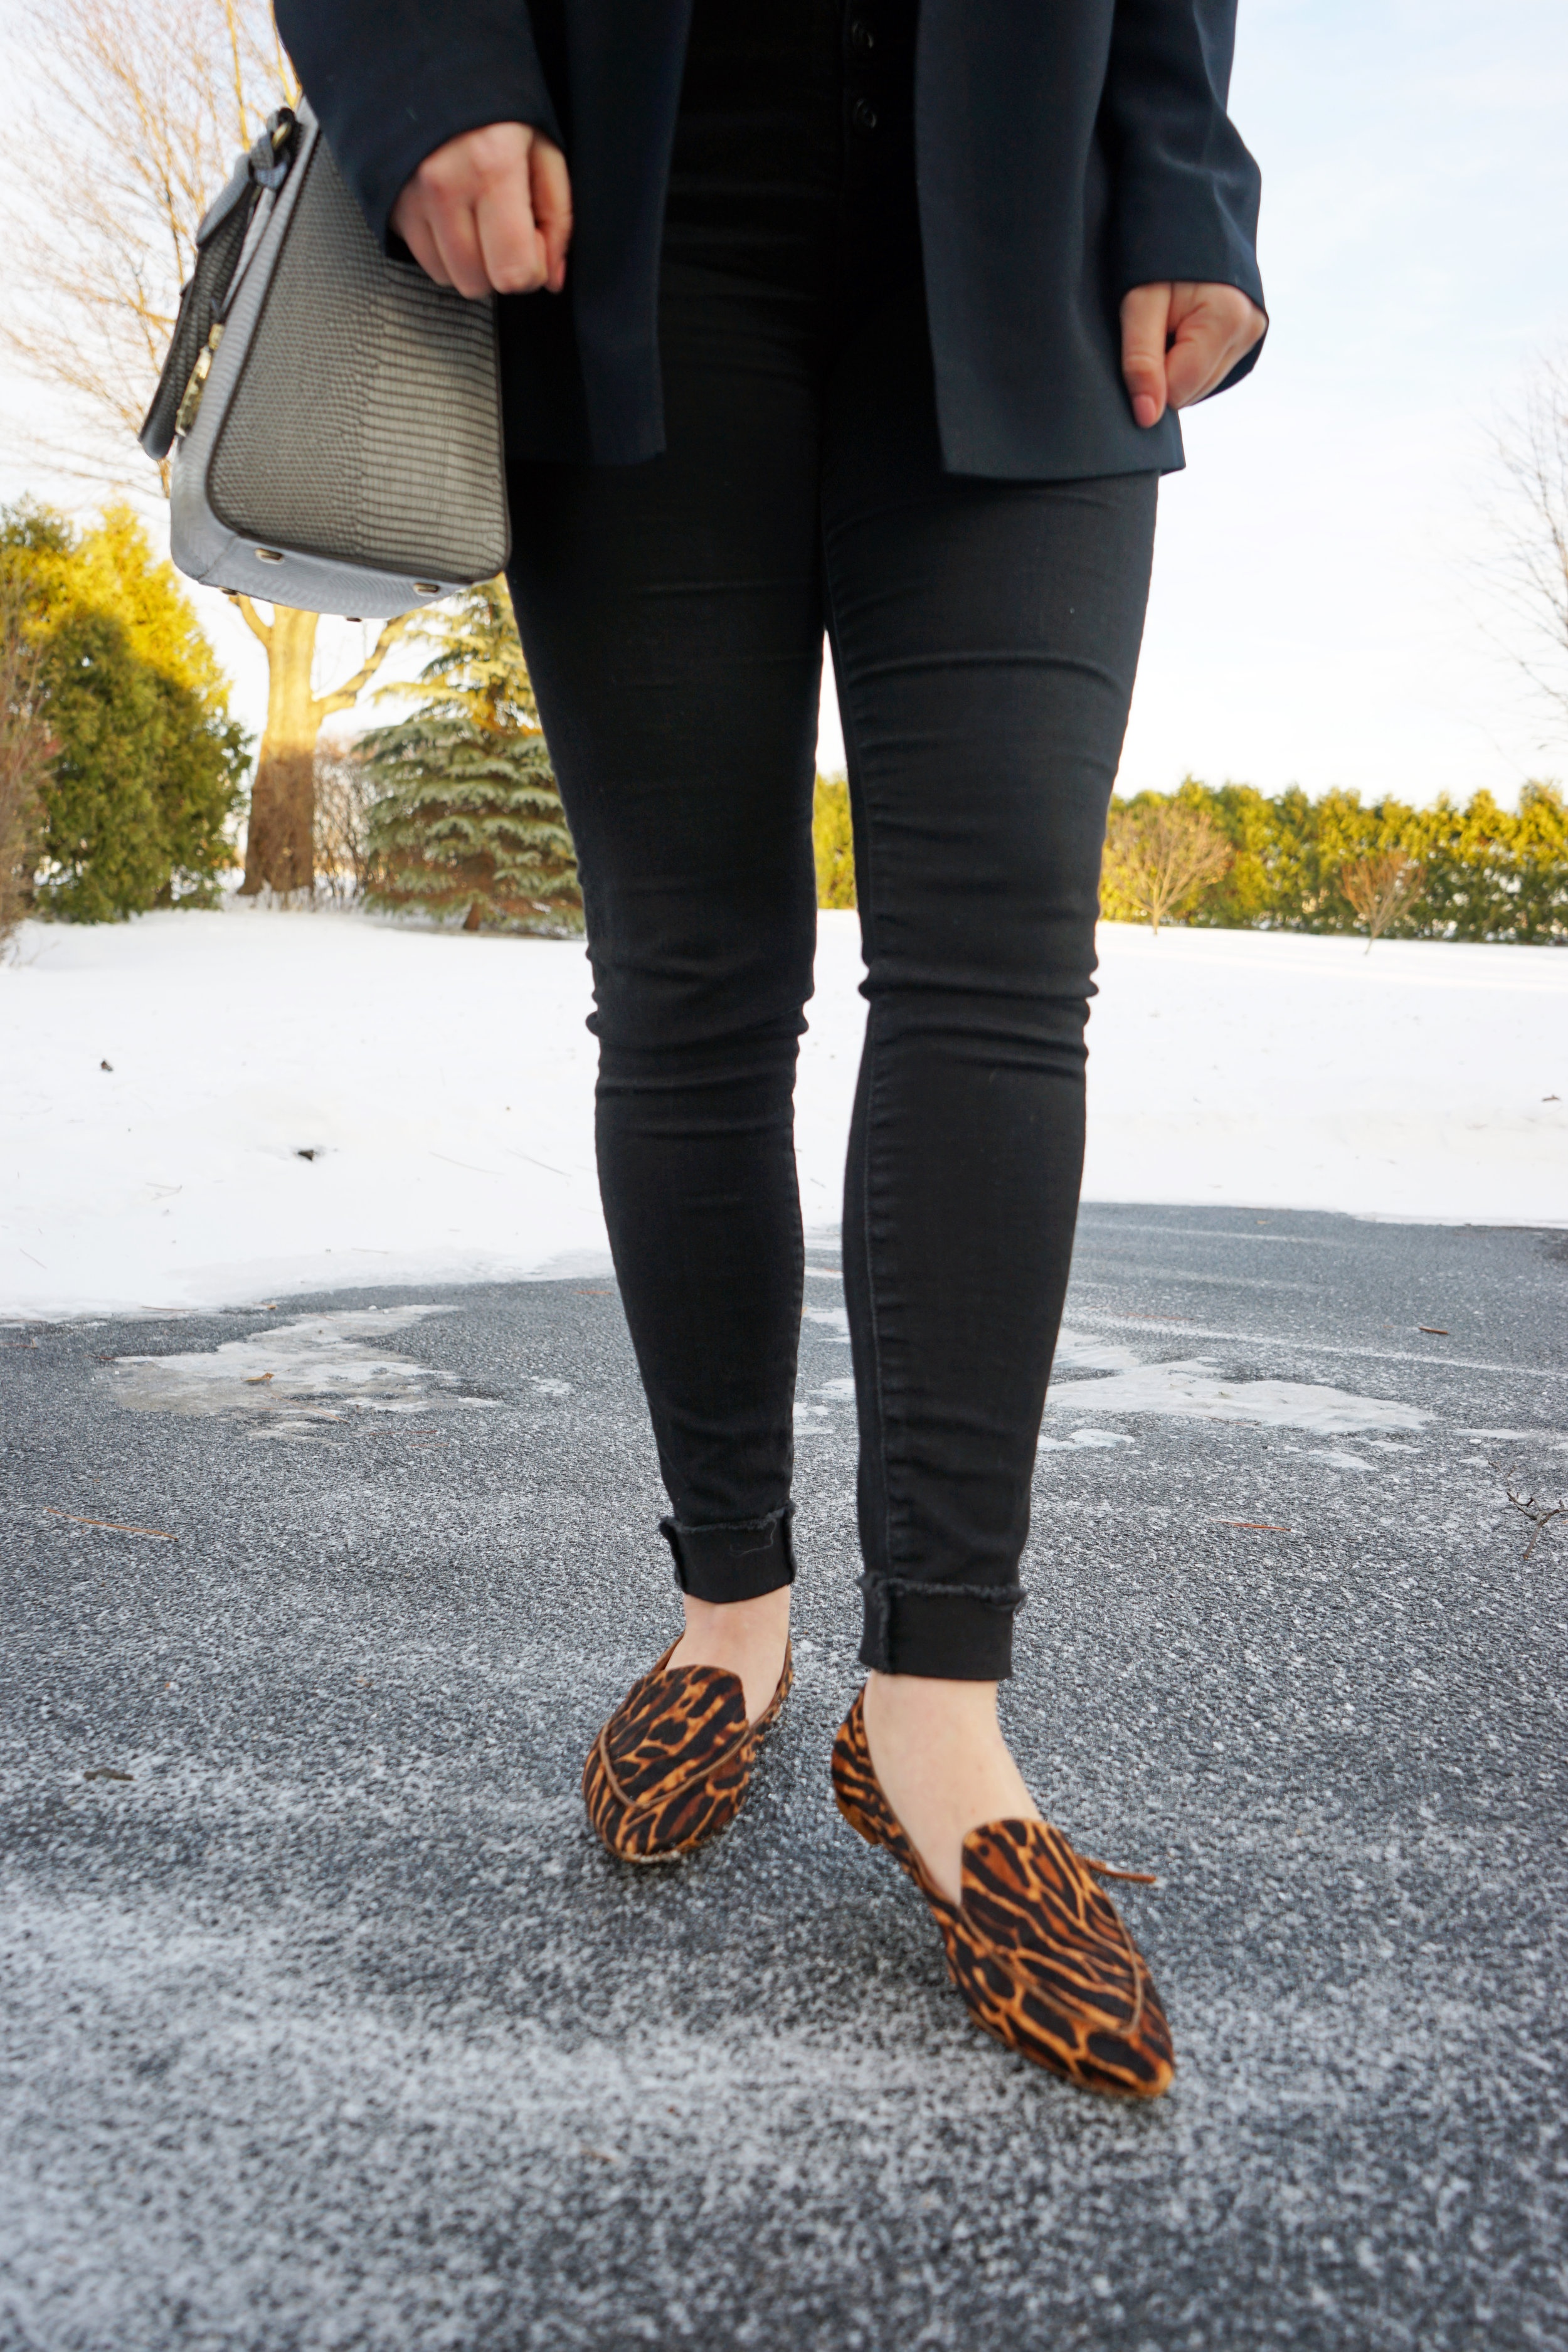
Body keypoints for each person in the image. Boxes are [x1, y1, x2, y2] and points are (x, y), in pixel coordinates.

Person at [281, 0, 1265, 2099]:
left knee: (1001, 961)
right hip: (629, 208)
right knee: (695, 977)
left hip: (1031, 224)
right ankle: (730, 1612)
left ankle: (937, 1706)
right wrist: (418, 68)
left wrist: (1182, 179)